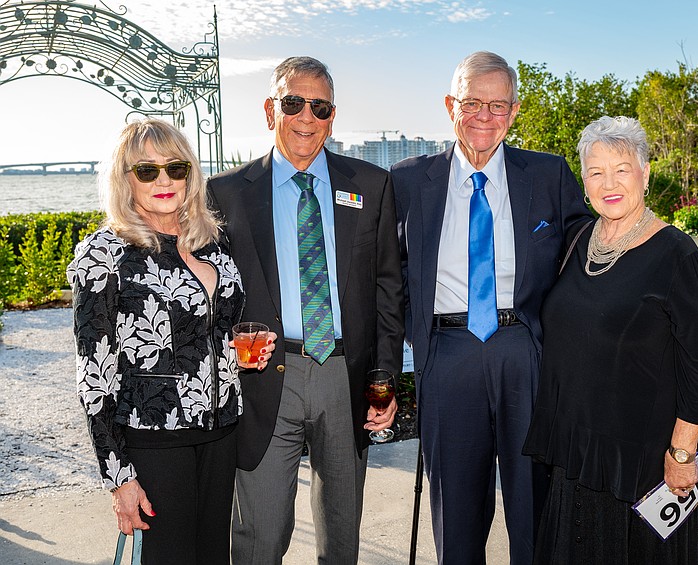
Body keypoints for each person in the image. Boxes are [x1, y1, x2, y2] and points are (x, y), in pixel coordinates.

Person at [391, 51, 591, 564]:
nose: (484, 115)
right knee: (455, 515)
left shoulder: (548, 176)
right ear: (449, 105)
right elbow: (386, 275)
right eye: (472, 103)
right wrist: (414, 342)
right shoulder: (408, 181)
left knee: (533, 504)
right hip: (447, 353)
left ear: (515, 111)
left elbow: (590, 251)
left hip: (522, 350)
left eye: (497, 105)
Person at [207, 56, 404, 564]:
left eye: (320, 107)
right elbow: (206, 293)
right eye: (293, 103)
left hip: (344, 374)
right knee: (261, 534)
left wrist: (384, 375)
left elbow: (387, 289)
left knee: (342, 536)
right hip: (266, 377)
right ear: (270, 109)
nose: (306, 117)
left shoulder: (371, 185)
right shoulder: (225, 194)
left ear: (332, 117)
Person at [67, 118, 275, 564]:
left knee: (213, 557)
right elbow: (94, 373)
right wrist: (118, 477)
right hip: (154, 442)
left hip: (220, 434)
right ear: (125, 179)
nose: (164, 180)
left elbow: (211, 336)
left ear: (190, 175)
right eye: (147, 170)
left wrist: (242, 358)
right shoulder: (103, 254)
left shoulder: (211, 243)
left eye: (176, 168)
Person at [523, 115, 698, 564]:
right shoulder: (576, 241)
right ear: (585, 183)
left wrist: (682, 452)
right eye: (596, 172)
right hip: (574, 454)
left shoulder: (677, 253)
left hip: (642, 463)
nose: (608, 183)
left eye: (621, 169)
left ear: (645, 173)